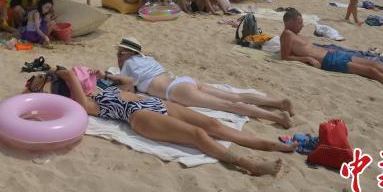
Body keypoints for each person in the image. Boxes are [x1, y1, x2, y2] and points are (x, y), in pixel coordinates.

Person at [27, 66, 290, 176]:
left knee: (214, 125)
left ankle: (270, 145)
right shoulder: (88, 103)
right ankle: (250, 165)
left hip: (156, 104)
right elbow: (83, 106)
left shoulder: (102, 88)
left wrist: (106, 75)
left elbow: (129, 83)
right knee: (198, 136)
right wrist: (68, 76)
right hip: (139, 117)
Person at [116, 37, 294, 128]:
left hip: (176, 90)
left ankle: (277, 117)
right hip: (184, 80)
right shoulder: (148, 59)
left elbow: (128, 90)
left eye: (120, 53)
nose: (118, 56)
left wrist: (119, 72)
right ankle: (278, 102)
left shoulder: (129, 65)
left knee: (229, 105)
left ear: (128, 54)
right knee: (235, 96)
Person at [280, 9, 383, 91]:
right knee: (372, 71)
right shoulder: (287, 35)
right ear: (290, 21)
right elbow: (285, 57)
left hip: (332, 55)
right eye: (299, 22)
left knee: (375, 64)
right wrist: (307, 59)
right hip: (328, 61)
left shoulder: (294, 34)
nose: (302, 25)